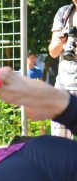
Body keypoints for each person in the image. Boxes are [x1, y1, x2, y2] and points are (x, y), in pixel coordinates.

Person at [49, 1, 77, 139]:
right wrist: (61, 40)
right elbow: (53, 52)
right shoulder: (64, 13)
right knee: (60, 146)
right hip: (64, 87)